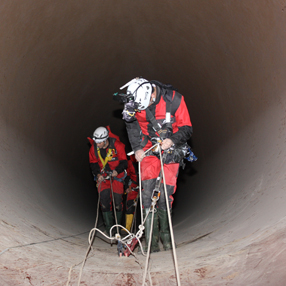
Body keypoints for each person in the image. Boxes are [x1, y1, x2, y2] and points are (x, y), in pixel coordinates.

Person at [119, 77, 193, 252]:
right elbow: (131, 126)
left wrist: (171, 140)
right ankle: (151, 244)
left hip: (170, 149)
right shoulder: (134, 103)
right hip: (148, 148)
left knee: (165, 197)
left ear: (151, 95)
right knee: (147, 196)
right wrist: (137, 148)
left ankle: (166, 240)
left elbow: (187, 128)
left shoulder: (175, 100)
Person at [88, 126, 128, 236]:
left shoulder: (117, 146)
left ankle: (118, 227)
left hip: (117, 177)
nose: (98, 144)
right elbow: (93, 163)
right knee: (104, 202)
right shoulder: (94, 149)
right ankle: (109, 228)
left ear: (106, 139)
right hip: (103, 178)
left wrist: (117, 170)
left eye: (100, 142)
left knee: (118, 203)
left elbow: (124, 162)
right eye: (96, 142)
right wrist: (98, 174)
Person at [123, 155, 139, 234]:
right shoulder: (129, 162)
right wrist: (126, 187)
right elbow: (127, 175)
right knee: (129, 205)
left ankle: (150, 228)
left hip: (147, 184)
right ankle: (127, 228)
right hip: (133, 187)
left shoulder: (149, 156)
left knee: (148, 205)